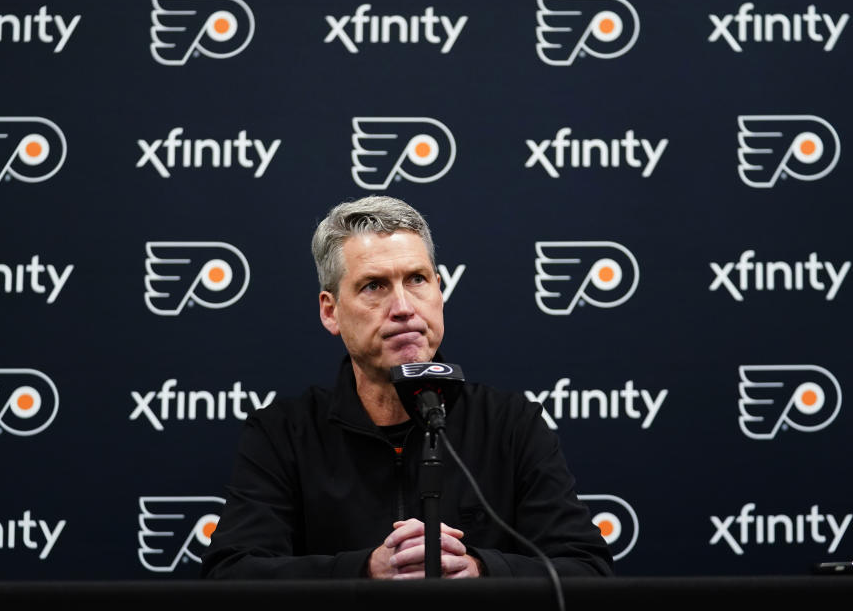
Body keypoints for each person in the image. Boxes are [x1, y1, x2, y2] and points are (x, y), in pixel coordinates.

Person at [200, 195, 613, 579]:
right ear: (331, 312)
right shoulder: (283, 434)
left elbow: (587, 568)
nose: (403, 308)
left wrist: (481, 570)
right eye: (374, 286)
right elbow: (231, 571)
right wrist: (365, 570)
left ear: (439, 289)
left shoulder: (510, 424)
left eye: (416, 279)